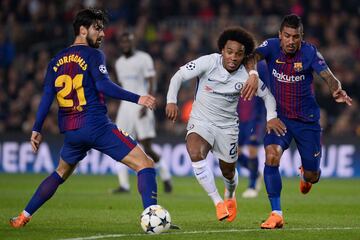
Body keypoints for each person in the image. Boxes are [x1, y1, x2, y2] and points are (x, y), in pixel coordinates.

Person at [9, 8, 158, 228]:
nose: (103, 34)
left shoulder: (55, 61)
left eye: (103, 29)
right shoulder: (93, 55)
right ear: (82, 29)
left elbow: (47, 98)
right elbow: (103, 85)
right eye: (97, 28)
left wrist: (36, 129)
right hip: (97, 126)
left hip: (71, 131)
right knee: (146, 164)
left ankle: (23, 216)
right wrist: (138, 98)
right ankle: (153, 219)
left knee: (60, 173)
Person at [166, 27, 286, 222]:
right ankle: (217, 202)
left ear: (244, 56)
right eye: (229, 51)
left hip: (228, 128)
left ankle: (230, 195)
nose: (233, 57)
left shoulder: (248, 76)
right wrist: (171, 101)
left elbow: (269, 98)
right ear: (222, 50)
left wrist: (271, 117)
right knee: (195, 153)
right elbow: (178, 76)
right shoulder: (208, 62)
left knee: (228, 171)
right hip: (200, 121)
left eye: (239, 54)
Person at [250, 14, 353, 229]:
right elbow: (252, 56)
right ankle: (276, 213)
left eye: (295, 37)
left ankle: (305, 176)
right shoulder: (270, 46)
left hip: (307, 121)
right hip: (280, 118)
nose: (290, 41)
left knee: (312, 175)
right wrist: (252, 73)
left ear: (301, 37)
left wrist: (336, 89)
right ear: (280, 35)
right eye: (286, 36)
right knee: (271, 156)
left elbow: (327, 75)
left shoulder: (309, 52)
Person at [112, 32, 172, 194]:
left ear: (133, 43)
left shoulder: (144, 58)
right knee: (118, 143)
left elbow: (152, 82)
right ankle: (124, 185)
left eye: (127, 42)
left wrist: (147, 104)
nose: (125, 45)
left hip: (142, 104)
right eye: (122, 43)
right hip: (125, 107)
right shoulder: (118, 63)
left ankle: (166, 178)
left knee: (147, 147)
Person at [237, 60, 269, 198]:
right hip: (238, 116)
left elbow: (266, 91)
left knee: (252, 150)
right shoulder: (235, 64)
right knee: (234, 153)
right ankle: (255, 173)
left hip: (255, 117)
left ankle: (252, 185)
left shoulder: (260, 66)